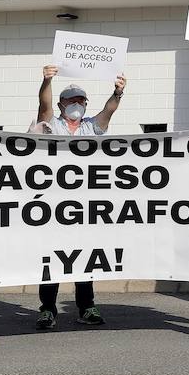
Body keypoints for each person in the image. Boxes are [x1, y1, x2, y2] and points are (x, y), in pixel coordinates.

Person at [29, 65, 128, 330]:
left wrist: (117, 93)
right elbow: (43, 105)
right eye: (70, 101)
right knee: (51, 257)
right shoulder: (50, 125)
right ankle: (47, 308)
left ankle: (86, 306)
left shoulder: (90, 128)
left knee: (84, 257)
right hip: (52, 203)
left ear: (85, 105)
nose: (76, 105)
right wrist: (47, 81)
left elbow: (108, 111)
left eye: (80, 101)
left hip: (84, 205)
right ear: (61, 105)